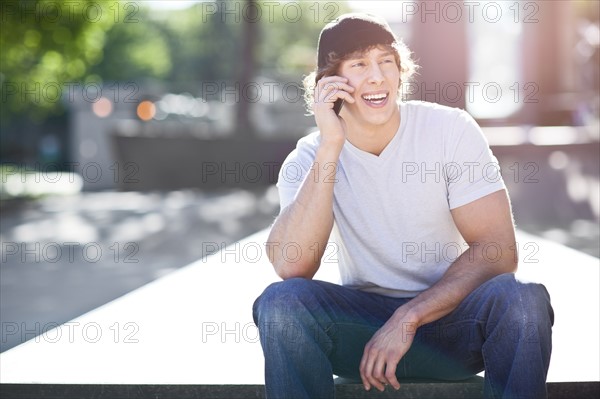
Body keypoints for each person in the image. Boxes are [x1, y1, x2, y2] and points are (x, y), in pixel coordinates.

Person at [253, 13, 553, 399]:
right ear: (329, 82)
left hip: (452, 324)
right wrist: (330, 146)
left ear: (400, 71)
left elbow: (497, 251)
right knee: (280, 304)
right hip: (360, 335)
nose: (377, 76)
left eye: (386, 61)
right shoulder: (309, 157)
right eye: (359, 64)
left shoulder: (450, 130)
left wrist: (408, 317)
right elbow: (292, 266)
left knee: (523, 298)